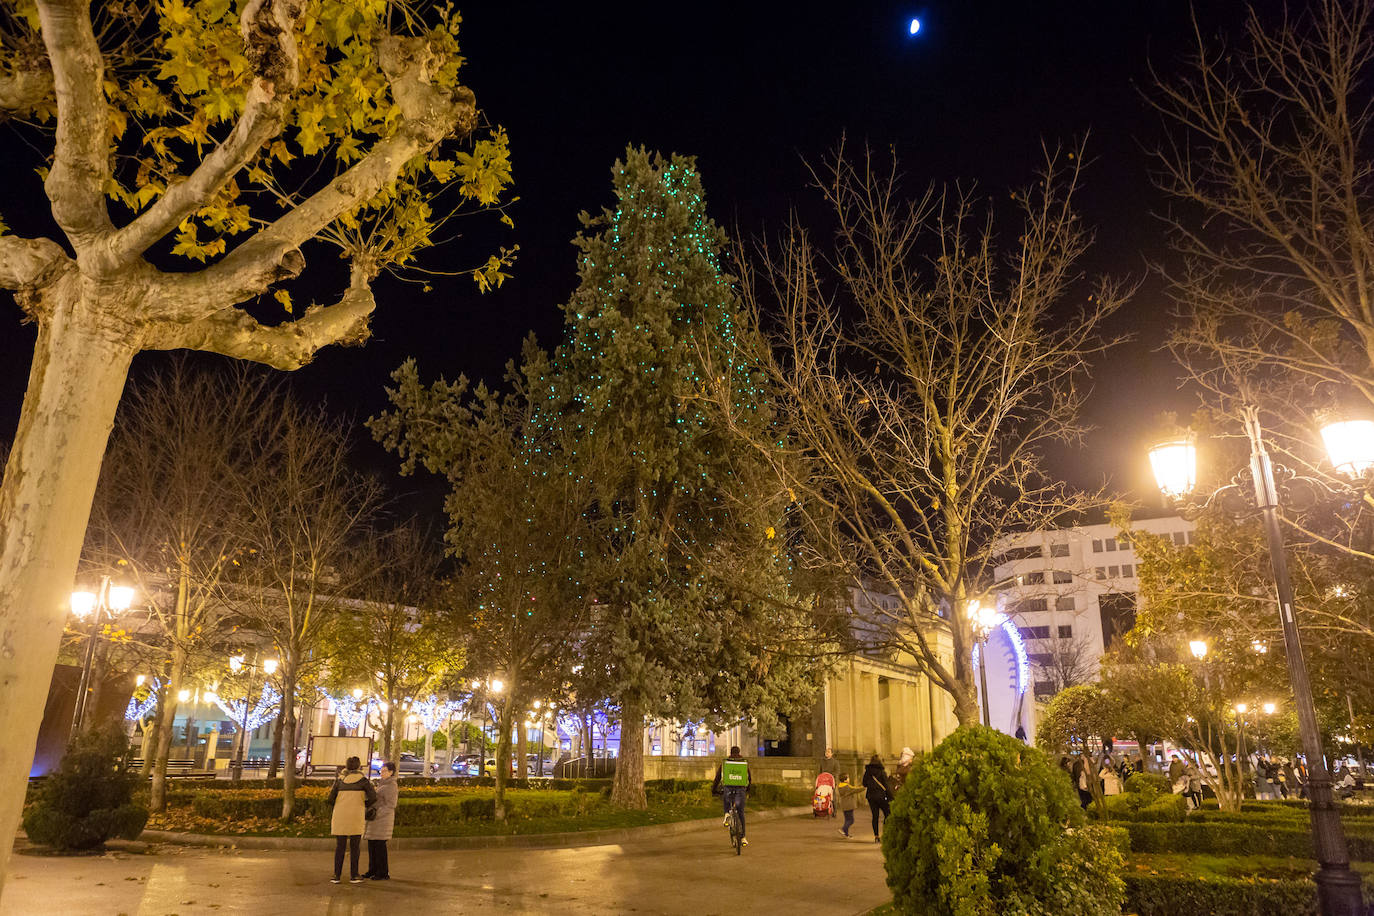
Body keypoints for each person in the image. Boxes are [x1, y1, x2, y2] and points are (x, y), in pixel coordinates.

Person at [328, 756, 377, 884]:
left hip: (340, 816)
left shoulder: (339, 780)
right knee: (355, 847)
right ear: (359, 766)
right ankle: (354, 875)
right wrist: (363, 804)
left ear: (346, 766)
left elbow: (330, 799)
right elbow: (373, 797)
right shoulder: (363, 781)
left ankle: (336, 876)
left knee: (340, 847)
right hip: (356, 815)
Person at [362, 761, 398, 881]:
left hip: (382, 820)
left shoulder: (391, 786)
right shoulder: (382, 784)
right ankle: (372, 869)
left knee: (379, 847)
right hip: (376, 820)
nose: (381, 773)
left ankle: (382, 872)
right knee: (372, 845)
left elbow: (391, 805)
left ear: (391, 772)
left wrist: (377, 813)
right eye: (381, 771)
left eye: (384, 771)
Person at [712, 746, 751, 847]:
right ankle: (743, 838)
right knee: (741, 812)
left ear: (730, 752)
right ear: (739, 752)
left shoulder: (726, 763)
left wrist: (713, 790)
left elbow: (718, 778)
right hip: (741, 790)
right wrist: (748, 789)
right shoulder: (744, 763)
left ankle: (726, 814)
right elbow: (749, 778)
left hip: (728, 788)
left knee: (726, 799)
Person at [862, 754, 891, 843]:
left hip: (871, 796)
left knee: (875, 816)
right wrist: (891, 796)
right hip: (881, 796)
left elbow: (864, 784)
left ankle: (876, 836)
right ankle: (885, 833)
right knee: (887, 814)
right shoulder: (882, 772)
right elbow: (886, 785)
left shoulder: (867, 772)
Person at [836, 773, 861, 838]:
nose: (849, 779)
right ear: (845, 780)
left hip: (844, 805)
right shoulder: (847, 786)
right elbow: (855, 789)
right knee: (851, 820)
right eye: (848, 778)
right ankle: (843, 829)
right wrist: (864, 787)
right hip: (849, 805)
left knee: (847, 820)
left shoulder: (840, 786)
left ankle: (846, 834)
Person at [819, 748, 839, 818]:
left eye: (828, 752)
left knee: (832, 796)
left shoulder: (835, 762)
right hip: (823, 781)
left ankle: (835, 811)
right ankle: (822, 810)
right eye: (826, 751)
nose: (827, 753)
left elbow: (837, 772)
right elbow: (819, 771)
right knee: (821, 795)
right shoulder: (822, 761)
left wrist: (829, 775)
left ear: (832, 754)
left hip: (831, 781)